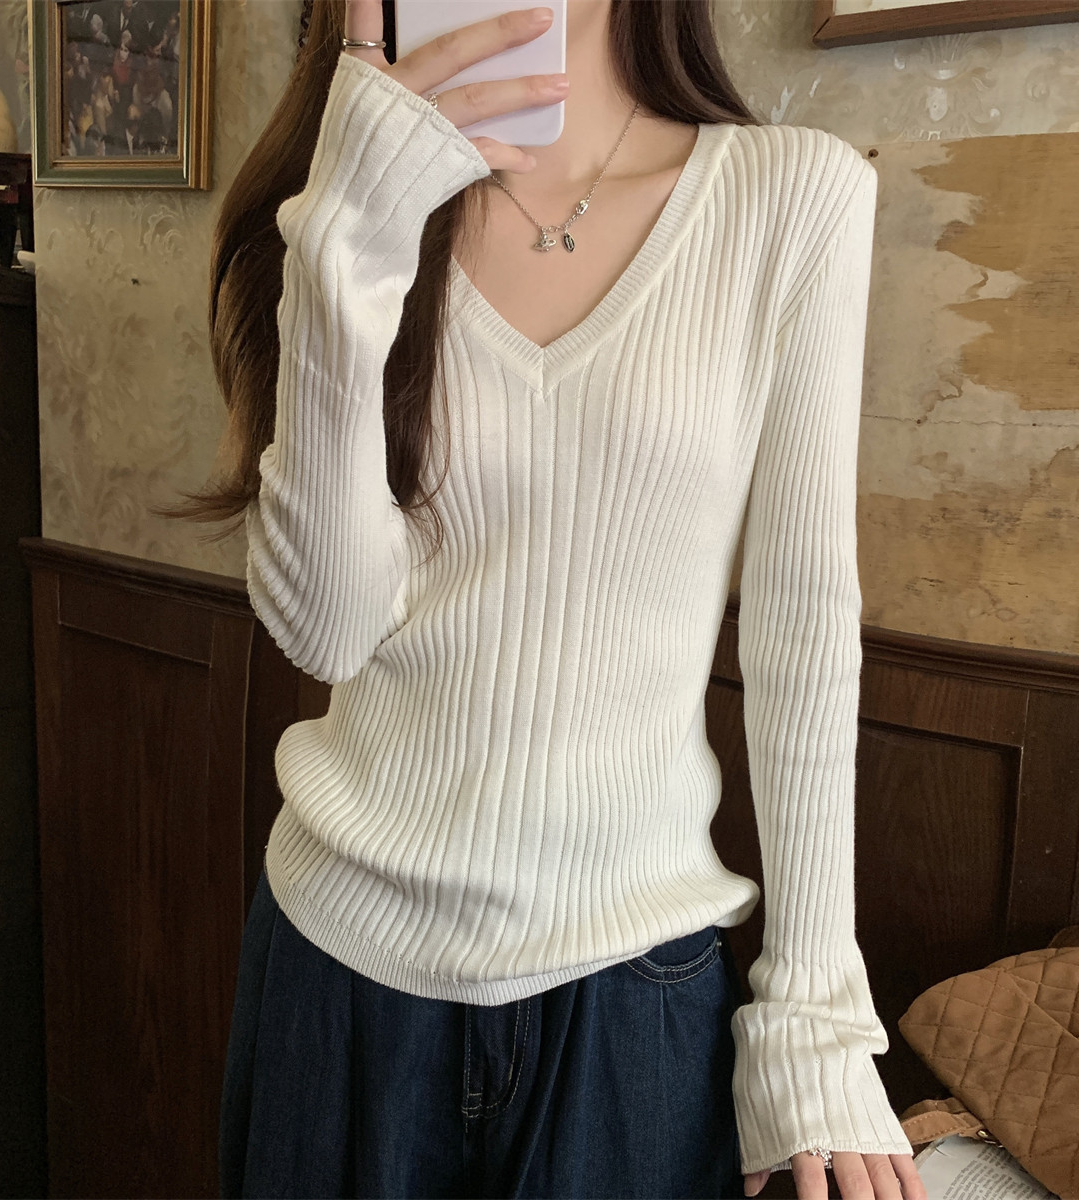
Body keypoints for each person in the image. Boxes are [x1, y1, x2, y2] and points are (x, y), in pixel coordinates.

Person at [161, 1, 929, 1196]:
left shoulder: (792, 196)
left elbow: (803, 624)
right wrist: (348, 238)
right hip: (338, 977)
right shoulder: (330, 210)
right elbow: (326, 628)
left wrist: (816, 1010)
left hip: (631, 998)